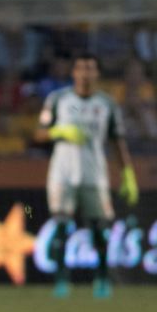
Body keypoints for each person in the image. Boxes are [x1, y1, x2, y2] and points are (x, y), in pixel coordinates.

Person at [34, 53, 138, 299]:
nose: (85, 73)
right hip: (62, 173)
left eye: (90, 68)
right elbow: (39, 134)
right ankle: (61, 283)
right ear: (74, 72)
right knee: (61, 226)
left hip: (94, 174)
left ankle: (102, 280)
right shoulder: (58, 99)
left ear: (97, 73)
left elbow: (117, 141)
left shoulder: (107, 104)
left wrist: (128, 175)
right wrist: (59, 131)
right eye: (81, 68)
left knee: (98, 229)